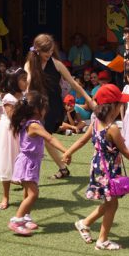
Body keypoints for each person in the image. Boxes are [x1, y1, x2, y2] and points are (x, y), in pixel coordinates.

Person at [62, 84, 129, 250]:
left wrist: (68, 152)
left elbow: (82, 140)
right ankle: (102, 240)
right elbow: (125, 152)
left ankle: (85, 223)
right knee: (112, 204)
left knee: (110, 202)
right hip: (108, 169)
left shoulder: (95, 122)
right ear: (113, 107)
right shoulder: (113, 129)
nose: (122, 107)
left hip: (98, 166)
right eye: (121, 104)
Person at [24, 34, 95, 180]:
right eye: (46, 52)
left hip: (53, 106)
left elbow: (74, 84)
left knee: (43, 137)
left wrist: (89, 100)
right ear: (37, 50)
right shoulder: (30, 64)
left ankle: (28, 174)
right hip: (36, 106)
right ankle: (62, 168)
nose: (49, 54)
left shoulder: (56, 63)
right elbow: (27, 83)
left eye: (51, 51)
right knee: (41, 138)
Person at [7, 91, 68, 236]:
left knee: (28, 191)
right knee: (34, 194)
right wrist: (66, 151)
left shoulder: (28, 122)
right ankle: (17, 220)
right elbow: (50, 139)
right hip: (28, 162)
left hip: (31, 162)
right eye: (44, 107)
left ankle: (26, 217)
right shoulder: (34, 125)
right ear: (36, 110)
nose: (46, 110)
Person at [0, 67, 27, 210]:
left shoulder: (25, 95)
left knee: (24, 161)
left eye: (26, 79)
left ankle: (26, 195)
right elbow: (12, 116)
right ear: (14, 82)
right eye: (23, 80)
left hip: (21, 130)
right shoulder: (9, 98)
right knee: (6, 162)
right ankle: (5, 196)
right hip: (9, 132)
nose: (26, 82)